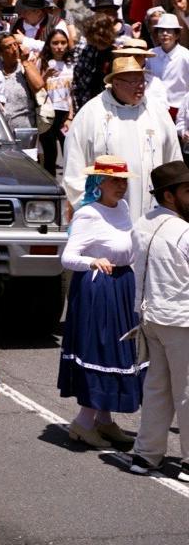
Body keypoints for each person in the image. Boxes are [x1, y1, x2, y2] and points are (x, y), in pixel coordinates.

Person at [56, 156, 142, 451]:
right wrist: (93, 260)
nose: (121, 186)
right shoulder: (88, 214)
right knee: (103, 351)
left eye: (123, 180)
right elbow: (67, 257)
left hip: (121, 285)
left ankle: (103, 419)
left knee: (118, 352)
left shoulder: (124, 208)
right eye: (114, 180)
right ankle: (82, 422)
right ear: (99, 182)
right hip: (98, 289)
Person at [127, 161, 189, 479]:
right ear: (168, 196)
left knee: (157, 389)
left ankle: (146, 456)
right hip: (180, 321)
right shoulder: (184, 231)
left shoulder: (142, 222)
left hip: (151, 317)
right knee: (186, 391)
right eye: (188, 191)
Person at [63, 57, 181, 219]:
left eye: (142, 80)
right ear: (116, 83)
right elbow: (74, 165)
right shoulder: (91, 114)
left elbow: (173, 161)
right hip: (105, 214)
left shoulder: (157, 112)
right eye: (133, 82)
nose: (140, 86)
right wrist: (89, 209)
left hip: (153, 213)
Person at [38, 27, 75, 174]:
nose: (59, 47)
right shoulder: (42, 62)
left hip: (65, 112)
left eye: (63, 43)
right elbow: (37, 87)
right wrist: (46, 75)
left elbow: (73, 92)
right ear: (49, 44)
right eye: (55, 43)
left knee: (70, 150)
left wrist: (71, 115)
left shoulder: (71, 63)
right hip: (47, 112)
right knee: (50, 153)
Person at [0, 32, 42, 132]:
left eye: (15, 44)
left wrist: (25, 62)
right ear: (0, 52)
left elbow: (38, 85)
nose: (14, 49)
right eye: (8, 47)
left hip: (25, 129)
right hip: (2, 131)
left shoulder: (24, 66)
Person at [148, 12, 189, 119]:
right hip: (155, 107)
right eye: (161, 30)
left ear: (177, 35)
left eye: (169, 31)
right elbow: (147, 79)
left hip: (179, 110)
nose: (165, 34)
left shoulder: (185, 56)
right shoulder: (151, 54)